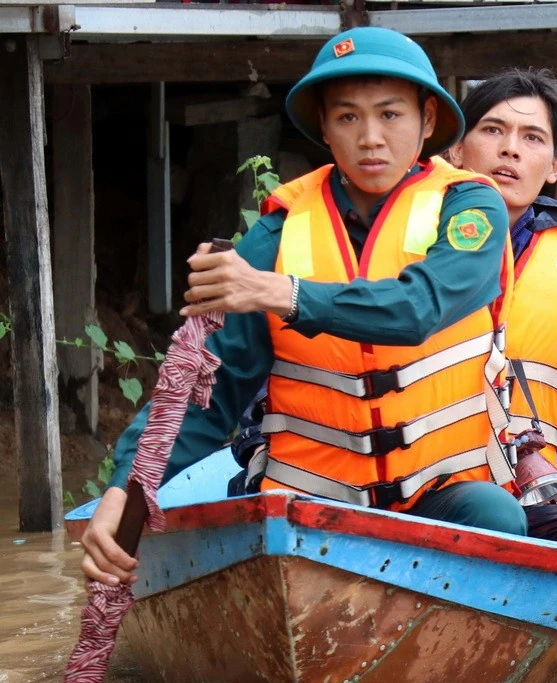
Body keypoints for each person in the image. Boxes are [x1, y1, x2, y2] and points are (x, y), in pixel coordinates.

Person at [81, 27, 528, 589]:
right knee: (261, 526)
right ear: (324, 126)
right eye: (348, 117)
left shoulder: (470, 208)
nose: (370, 138)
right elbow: (204, 393)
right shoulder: (274, 236)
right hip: (311, 504)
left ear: (427, 120)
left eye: (390, 115)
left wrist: (281, 293)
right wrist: (124, 488)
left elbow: (418, 309)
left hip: (439, 492)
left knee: (497, 516)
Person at [232, 70, 557, 542]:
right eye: (492, 130)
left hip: (517, 508)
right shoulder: (370, 236)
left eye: (532, 138)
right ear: (454, 148)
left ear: (556, 166)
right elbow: (264, 383)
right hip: (340, 491)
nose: (510, 149)